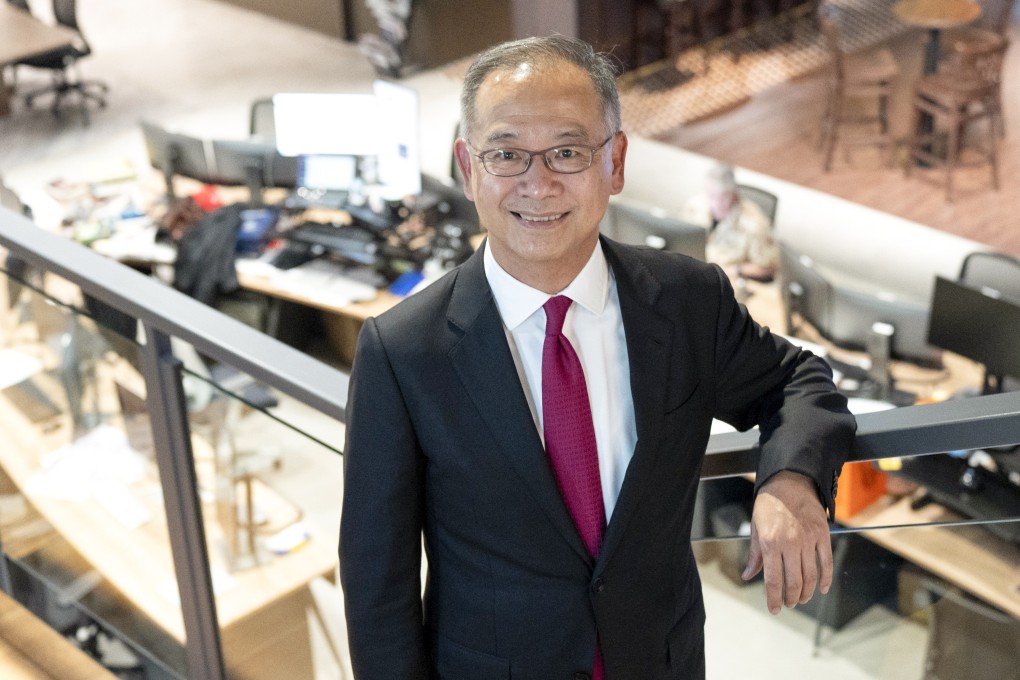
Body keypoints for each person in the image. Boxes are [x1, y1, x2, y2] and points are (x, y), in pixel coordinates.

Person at [340, 35, 855, 680]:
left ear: (615, 161)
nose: (538, 183)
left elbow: (797, 380)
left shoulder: (688, 300)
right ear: (468, 169)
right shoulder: (403, 351)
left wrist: (790, 480)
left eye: (567, 151)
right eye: (506, 154)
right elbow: (378, 592)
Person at [683, 162, 779, 282]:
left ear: (734, 194)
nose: (714, 203)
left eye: (721, 197)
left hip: (727, 279)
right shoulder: (696, 205)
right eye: (711, 195)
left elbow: (768, 267)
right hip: (695, 272)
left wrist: (736, 270)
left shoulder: (754, 223)